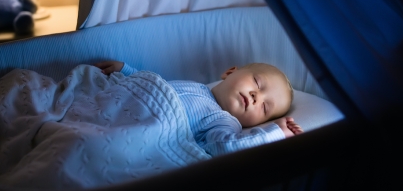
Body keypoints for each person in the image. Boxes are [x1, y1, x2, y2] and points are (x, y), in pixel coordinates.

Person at [94, 60, 303, 157]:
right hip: (124, 103)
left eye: (265, 107)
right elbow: (160, 86)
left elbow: (227, 146)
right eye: (257, 83)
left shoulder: (224, 122)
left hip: (137, 131)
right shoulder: (197, 86)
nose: (256, 97)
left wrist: (275, 132)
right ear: (230, 72)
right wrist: (127, 71)